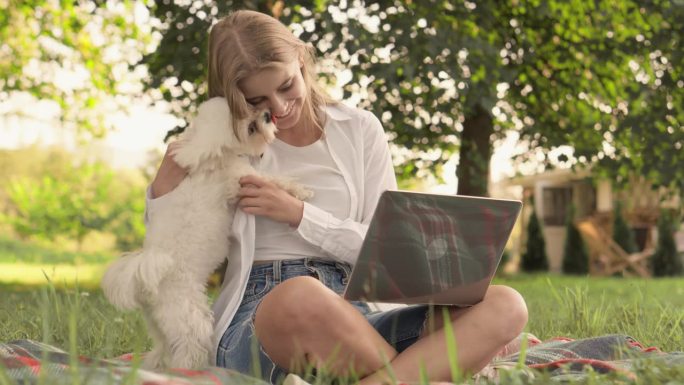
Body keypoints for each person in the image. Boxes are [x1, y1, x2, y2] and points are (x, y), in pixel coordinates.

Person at [146, 9, 528, 385]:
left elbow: (388, 248)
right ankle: (421, 372)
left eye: (285, 86)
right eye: (256, 100)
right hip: (267, 318)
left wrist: (300, 215)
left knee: (507, 305)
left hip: (360, 317)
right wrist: (162, 190)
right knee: (299, 296)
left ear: (301, 59)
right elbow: (172, 252)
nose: (278, 109)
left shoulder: (360, 130)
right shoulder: (226, 142)